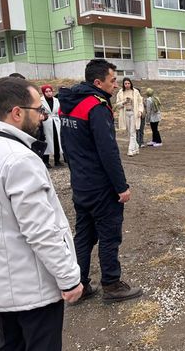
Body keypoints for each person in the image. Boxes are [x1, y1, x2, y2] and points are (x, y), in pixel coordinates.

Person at [0, 76, 83, 350]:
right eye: (39, 109)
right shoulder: (19, 159)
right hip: (32, 288)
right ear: (16, 113)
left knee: (10, 344)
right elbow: (41, 229)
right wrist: (69, 277)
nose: (43, 116)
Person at [58, 59, 142, 303]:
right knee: (109, 235)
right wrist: (121, 187)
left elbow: (68, 146)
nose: (115, 85)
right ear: (98, 82)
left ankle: (79, 283)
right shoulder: (95, 106)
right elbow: (108, 152)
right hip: (100, 186)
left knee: (83, 235)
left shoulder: (67, 105)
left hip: (81, 184)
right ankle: (112, 284)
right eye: (112, 80)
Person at [114, 77, 144, 157]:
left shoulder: (135, 92)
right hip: (125, 113)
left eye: (128, 83)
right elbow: (117, 105)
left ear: (131, 83)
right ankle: (136, 147)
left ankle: (130, 150)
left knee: (132, 132)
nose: (127, 85)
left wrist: (140, 111)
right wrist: (124, 102)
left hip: (134, 113)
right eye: (125, 83)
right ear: (123, 84)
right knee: (129, 131)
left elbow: (140, 102)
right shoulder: (120, 93)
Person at [40, 84, 64, 168]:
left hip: (56, 121)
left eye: (50, 91)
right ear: (43, 92)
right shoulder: (40, 101)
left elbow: (59, 110)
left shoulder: (56, 100)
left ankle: (57, 160)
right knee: (47, 141)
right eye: (46, 91)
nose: (49, 93)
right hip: (46, 122)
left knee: (57, 141)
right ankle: (46, 161)